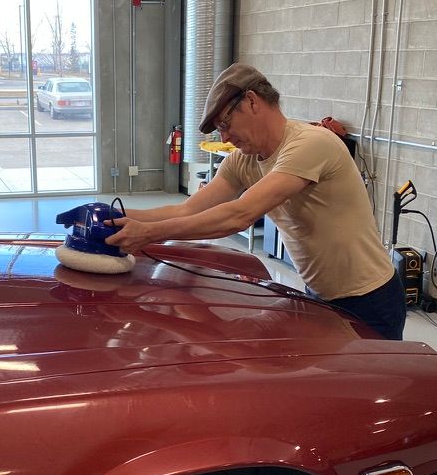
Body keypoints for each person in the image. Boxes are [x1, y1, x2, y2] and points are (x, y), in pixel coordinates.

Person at [105, 62, 406, 340]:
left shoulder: (311, 144)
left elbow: (240, 215)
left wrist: (149, 234)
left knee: (364, 380)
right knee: (243, 346)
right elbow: (187, 209)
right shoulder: (243, 161)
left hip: (370, 299)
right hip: (318, 294)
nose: (225, 138)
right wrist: (112, 217)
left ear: (252, 101)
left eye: (226, 124)